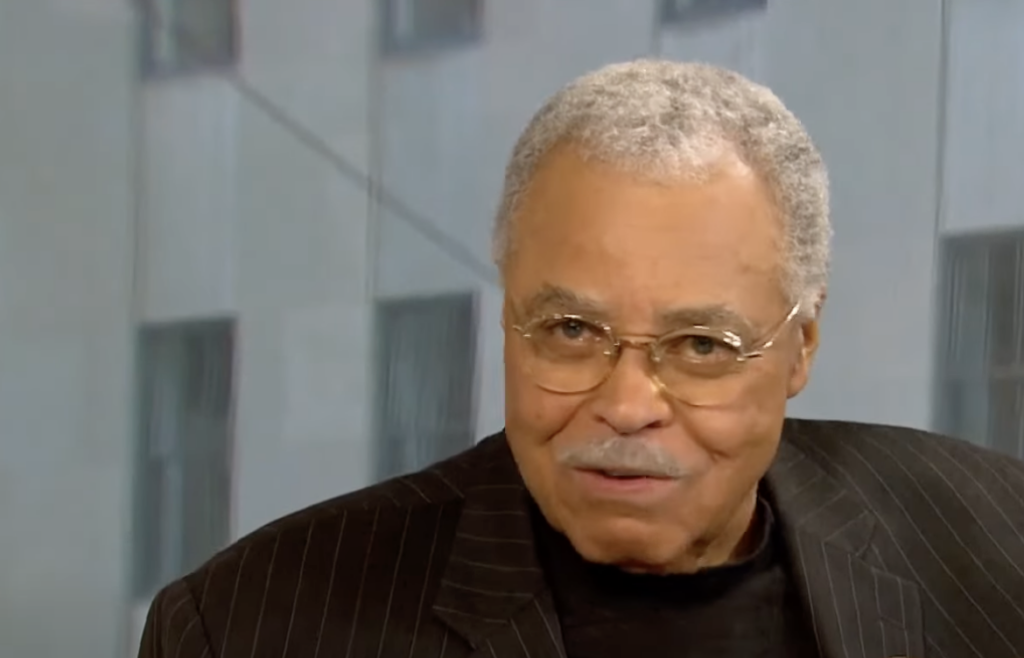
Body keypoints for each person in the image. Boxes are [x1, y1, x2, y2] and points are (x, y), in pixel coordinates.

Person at [139, 59, 1024, 658]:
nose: (629, 403)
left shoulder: (991, 535)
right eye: (570, 331)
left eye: (702, 346)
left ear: (802, 347)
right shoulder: (250, 624)